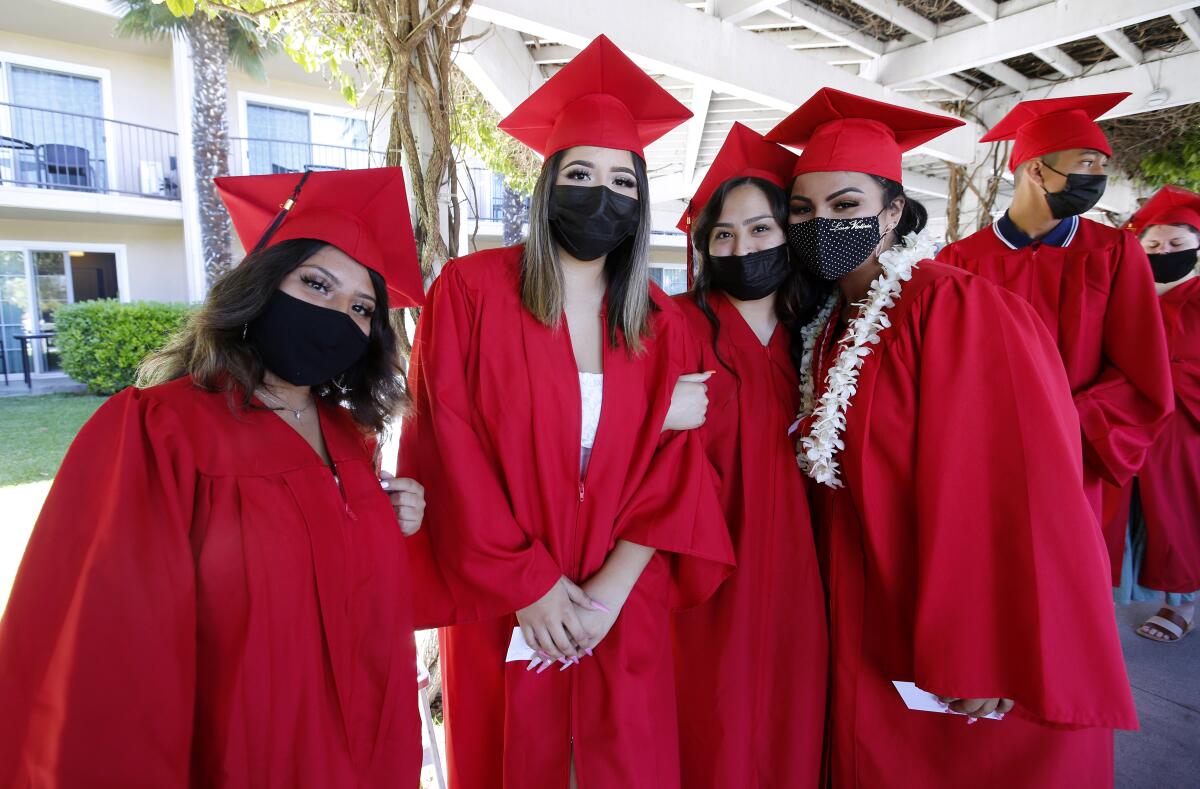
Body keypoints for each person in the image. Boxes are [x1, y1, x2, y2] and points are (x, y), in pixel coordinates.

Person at [0, 167, 429, 786]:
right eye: (316, 284)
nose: (339, 315)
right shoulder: (162, 430)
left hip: (358, 756)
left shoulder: (349, 438)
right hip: (240, 755)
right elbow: (111, 645)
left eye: (361, 308)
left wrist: (384, 524)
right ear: (260, 287)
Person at [766, 87, 1137, 788]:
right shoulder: (828, 325)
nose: (822, 223)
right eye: (803, 209)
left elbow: (1014, 480)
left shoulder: (955, 307)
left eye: (846, 206)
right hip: (860, 607)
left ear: (894, 212)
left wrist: (991, 646)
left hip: (946, 619)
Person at [398, 35, 733, 789]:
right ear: (549, 184)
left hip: (620, 598)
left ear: (641, 202)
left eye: (623, 180)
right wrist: (530, 586)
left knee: (625, 763)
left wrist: (608, 596)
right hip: (502, 595)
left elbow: (678, 471)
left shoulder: (665, 322)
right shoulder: (471, 292)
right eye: (581, 174)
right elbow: (446, 440)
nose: (601, 194)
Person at [668, 122, 826, 789]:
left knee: (790, 724)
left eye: (761, 229)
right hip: (701, 575)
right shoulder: (669, 324)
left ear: (789, 236)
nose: (741, 247)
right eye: (723, 234)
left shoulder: (821, 335)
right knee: (706, 727)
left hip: (800, 575)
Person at [936, 93, 1173, 521]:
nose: (1099, 176)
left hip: (1074, 452)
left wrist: (1067, 421)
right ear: (1036, 170)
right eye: (1087, 163)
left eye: (1102, 164)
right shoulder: (960, 261)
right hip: (986, 452)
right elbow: (946, 369)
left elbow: (1142, 370)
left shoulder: (1112, 251)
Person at [1103, 185, 1200, 643]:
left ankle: (1182, 604)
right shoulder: (1127, 294)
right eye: (1154, 245)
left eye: (1177, 245)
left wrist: (1166, 378)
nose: (1164, 253)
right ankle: (1120, 592)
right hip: (1131, 422)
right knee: (1127, 513)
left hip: (1186, 428)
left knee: (1181, 516)